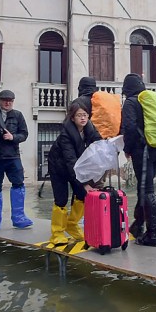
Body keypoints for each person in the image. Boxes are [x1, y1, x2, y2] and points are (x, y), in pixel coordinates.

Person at [120, 73, 156, 247]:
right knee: (144, 185)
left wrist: (127, 149)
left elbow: (130, 128)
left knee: (147, 189)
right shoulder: (149, 100)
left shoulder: (131, 103)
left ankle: (154, 234)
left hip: (144, 151)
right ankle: (138, 225)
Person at [46, 101, 100, 247]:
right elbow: (71, 161)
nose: (83, 118)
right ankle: (57, 233)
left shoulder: (90, 129)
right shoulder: (65, 135)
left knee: (82, 195)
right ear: (72, 118)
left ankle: (71, 224)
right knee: (61, 199)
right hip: (59, 168)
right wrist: (84, 183)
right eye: (79, 115)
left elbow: (99, 144)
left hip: (76, 167)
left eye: (85, 115)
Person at [0, 89, 33, 230]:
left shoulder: (18, 115)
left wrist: (13, 137)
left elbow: (24, 134)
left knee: (18, 184)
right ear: (0, 100)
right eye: (5, 100)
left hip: (12, 157)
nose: (8, 102)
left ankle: (19, 218)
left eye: (10, 100)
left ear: (13, 101)